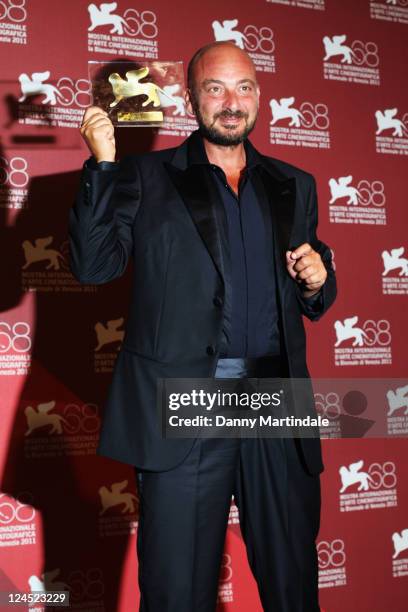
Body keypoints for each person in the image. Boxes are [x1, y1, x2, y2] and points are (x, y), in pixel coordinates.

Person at [69, 41, 336, 612]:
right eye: (215, 88)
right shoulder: (145, 175)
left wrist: (317, 279)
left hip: (276, 403)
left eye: (242, 88)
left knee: (293, 586)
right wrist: (104, 165)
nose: (231, 102)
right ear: (190, 98)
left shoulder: (296, 184)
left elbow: (313, 292)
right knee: (177, 592)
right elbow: (94, 266)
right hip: (187, 401)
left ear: (259, 96)